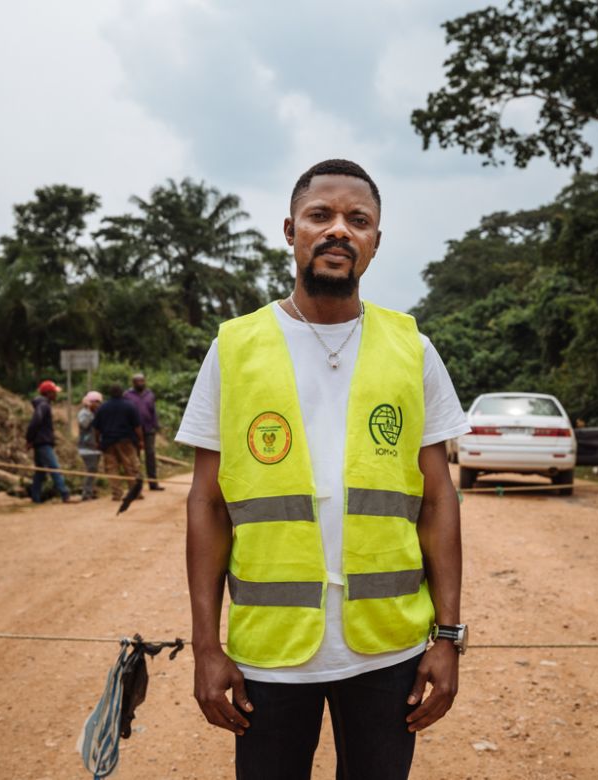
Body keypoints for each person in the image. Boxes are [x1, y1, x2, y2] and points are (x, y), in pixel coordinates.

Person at [177, 159, 471, 780]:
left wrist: (448, 638)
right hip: (271, 654)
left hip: (389, 650)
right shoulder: (234, 347)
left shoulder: (411, 347)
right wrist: (207, 646)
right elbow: (206, 502)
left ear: (375, 242)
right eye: (321, 215)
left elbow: (440, 500)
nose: (339, 230)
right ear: (291, 229)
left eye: (357, 220)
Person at [93, 383, 144, 503]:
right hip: (126, 441)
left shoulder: (102, 408)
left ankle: (117, 493)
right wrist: (140, 440)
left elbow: (96, 428)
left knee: (112, 469)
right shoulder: (130, 406)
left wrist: (97, 441)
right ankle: (135, 492)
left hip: (108, 442)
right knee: (131, 467)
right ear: (122, 393)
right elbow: (137, 426)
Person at [26, 380, 72, 503]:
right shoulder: (43, 405)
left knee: (40, 471)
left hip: (40, 441)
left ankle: (35, 497)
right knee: (54, 468)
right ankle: (65, 494)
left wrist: (30, 439)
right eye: (54, 392)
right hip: (43, 442)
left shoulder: (43, 404)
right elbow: (35, 423)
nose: (56, 395)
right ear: (48, 393)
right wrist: (29, 439)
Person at [125, 372, 163, 491]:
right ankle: (137, 485)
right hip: (133, 431)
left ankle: (153, 483)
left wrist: (156, 425)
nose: (140, 383)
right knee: (135, 458)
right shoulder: (127, 395)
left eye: (142, 381)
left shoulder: (149, 394)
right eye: (138, 381)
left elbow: (153, 412)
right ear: (133, 383)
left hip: (148, 429)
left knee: (150, 455)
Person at [77, 390, 103, 501]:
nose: (98, 405)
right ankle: (86, 492)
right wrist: (90, 412)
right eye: (95, 402)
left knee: (93, 469)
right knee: (91, 468)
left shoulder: (97, 413)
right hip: (86, 447)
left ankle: (90, 490)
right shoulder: (84, 413)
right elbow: (84, 424)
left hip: (95, 446)